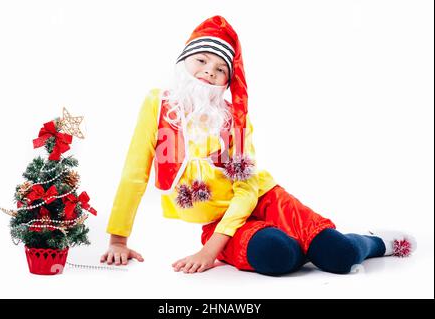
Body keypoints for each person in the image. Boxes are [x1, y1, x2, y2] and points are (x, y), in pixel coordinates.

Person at [100, 15, 416, 275]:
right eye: (202, 60)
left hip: (263, 199)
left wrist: (211, 251)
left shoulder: (233, 119)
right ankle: (292, 244)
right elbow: (134, 172)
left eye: (221, 68)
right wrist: (118, 239)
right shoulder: (158, 105)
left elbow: (247, 188)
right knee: (275, 256)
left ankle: (374, 242)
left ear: (228, 81)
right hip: (220, 223)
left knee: (340, 256)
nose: (209, 70)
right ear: (183, 61)